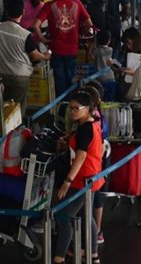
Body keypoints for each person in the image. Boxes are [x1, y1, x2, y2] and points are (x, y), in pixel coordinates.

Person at [52, 90, 105, 264]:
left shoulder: (85, 129)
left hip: (82, 180)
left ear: (88, 108)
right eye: (70, 108)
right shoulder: (93, 123)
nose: (72, 111)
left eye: (76, 108)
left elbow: (81, 156)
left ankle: (59, 257)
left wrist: (67, 181)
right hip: (93, 178)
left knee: (64, 215)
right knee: (85, 215)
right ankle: (93, 254)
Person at [33, 0, 93, 94]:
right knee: (71, 78)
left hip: (56, 48)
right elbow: (89, 24)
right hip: (72, 48)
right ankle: (70, 103)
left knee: (59, 80)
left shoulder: (49, 5)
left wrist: (43, 39)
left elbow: (36, 25)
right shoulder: (77, 3)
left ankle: (60, 106)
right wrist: (80, 34)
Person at [0, 0, 50, 112]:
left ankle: (6, 129)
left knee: (5, 107)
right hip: (19, 76)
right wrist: (45, 56)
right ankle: (17, 128)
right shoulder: (25, 35)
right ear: (23, 12)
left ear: (6, 11)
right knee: (17, 109)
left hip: (2, 74)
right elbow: (34, 56)